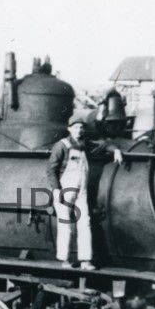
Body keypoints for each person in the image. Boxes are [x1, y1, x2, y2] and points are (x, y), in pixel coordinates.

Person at [46, 113, 123, 270]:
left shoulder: (85, 144)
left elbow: (104, 144)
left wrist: (116, 150)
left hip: (82, 190)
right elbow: (51, 170)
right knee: (65, 225)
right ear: (69, 129)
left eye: (81, 127)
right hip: (65, 190)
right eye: (76, 127)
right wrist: (56, 190)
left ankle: (85, 260)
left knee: (85, 223)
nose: (79, 130)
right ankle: (65, 260)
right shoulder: (61, 146)